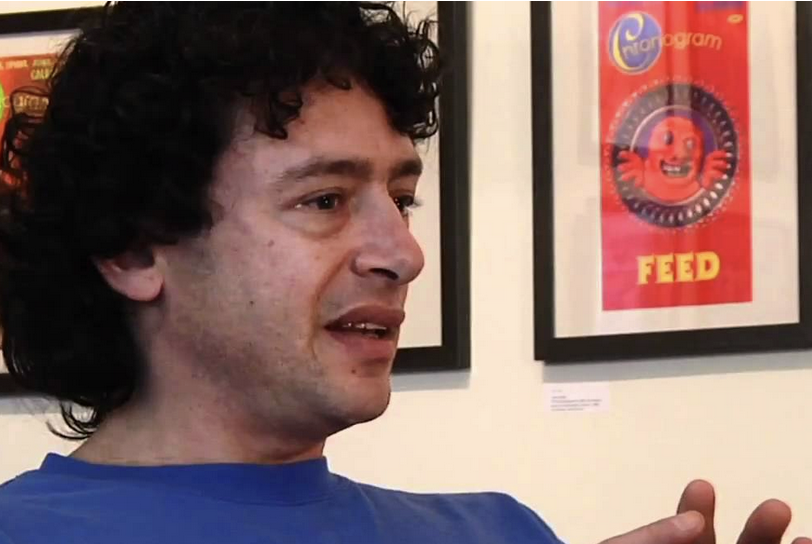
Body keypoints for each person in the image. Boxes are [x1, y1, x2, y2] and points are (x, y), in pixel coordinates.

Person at [0, 3, 805, 544]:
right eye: (324, 200)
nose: (404, 254)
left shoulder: (502, 531)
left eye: (403, 199)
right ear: (135, 250)